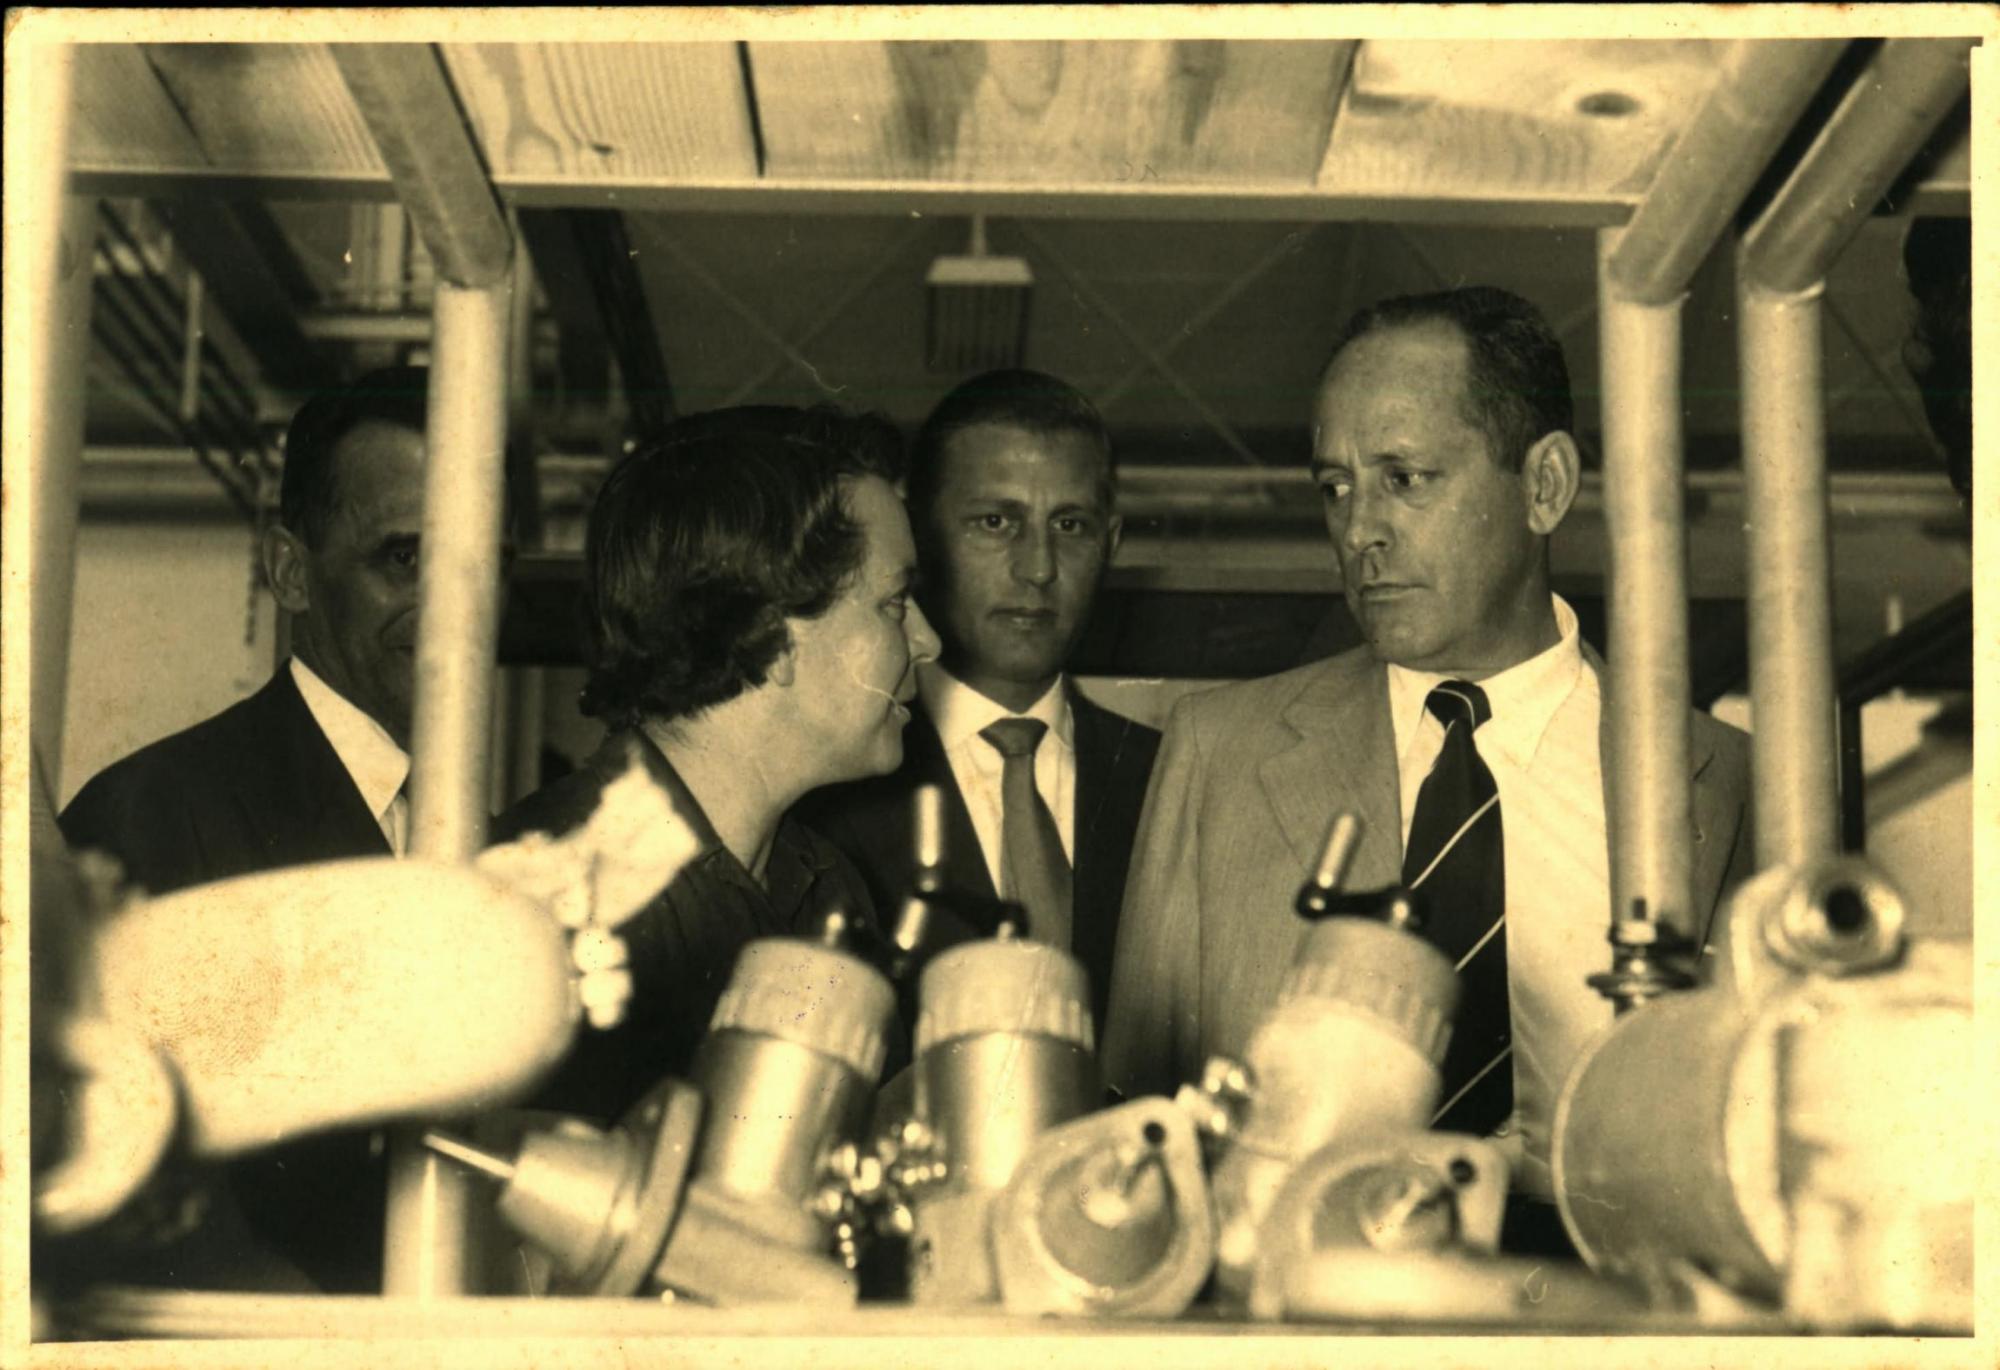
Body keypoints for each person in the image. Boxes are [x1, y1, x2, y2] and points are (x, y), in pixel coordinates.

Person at [1100, 288, 1753, 1242]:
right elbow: (1133, 1130)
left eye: (1404, 478)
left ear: (1545, 486)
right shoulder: (1217, 755)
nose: (1359, 529)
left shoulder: (1722, 781)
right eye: (1336, 487)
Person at [56, 365, 440, 1294]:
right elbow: (94, 1185)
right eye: (404, 558)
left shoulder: (479, 833)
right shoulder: (151, 814)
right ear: (290, 573)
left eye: (484, 565)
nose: (455, 606)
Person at [492, 405, 941, 1122]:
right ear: (776, 636)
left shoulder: (824, 885)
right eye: (894, 604)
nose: (927, 641)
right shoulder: (544, 910)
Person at [802, 370, 1160, 1027]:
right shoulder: (830, 787)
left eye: (1070, 525)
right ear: (916, 532)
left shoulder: (1170, 779)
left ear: (1110, 542)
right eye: (996, 522)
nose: (1038, 568)